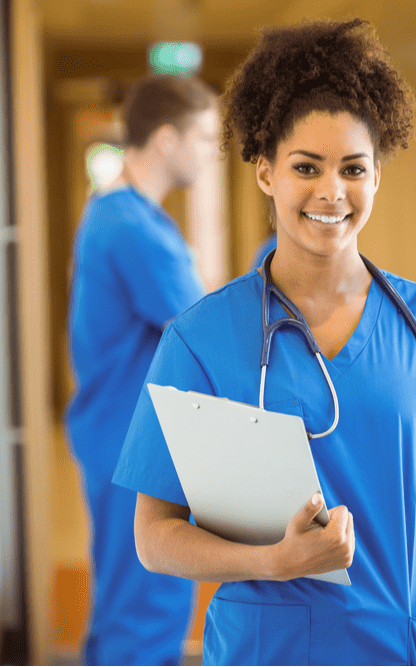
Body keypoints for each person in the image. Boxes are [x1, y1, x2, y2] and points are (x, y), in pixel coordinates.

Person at [112, 19, 416, 666]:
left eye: (353, 168)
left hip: (405, 649)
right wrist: (271, 560)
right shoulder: (199, 340)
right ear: (264, 174)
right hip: (266, 650)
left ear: (376, 177)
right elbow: (154, 536)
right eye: (306, 166)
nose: (331, 191)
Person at [65, 73, 217, 665]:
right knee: (146, 613)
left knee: (124, 607)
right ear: (165, 140)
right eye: (203, 137)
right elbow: (203, 331)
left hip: (115, 436)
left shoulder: (120, 215)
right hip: (133, 445)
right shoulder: (132, 227)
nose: (211, 152)